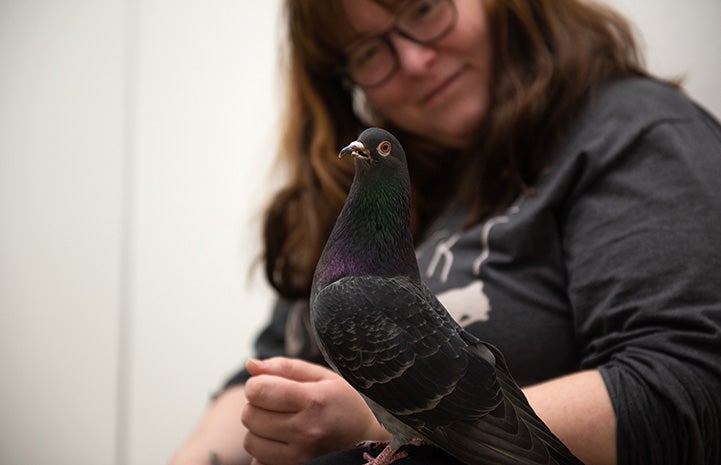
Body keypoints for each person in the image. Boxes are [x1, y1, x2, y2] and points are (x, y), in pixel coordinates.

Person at [169, 0, 721, 464]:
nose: (412, 58)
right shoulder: (354, 201)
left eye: (425, 7)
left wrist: (377, 418)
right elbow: (255, 387)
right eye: (367, 50)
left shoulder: (635, 136)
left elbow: (688, 391)